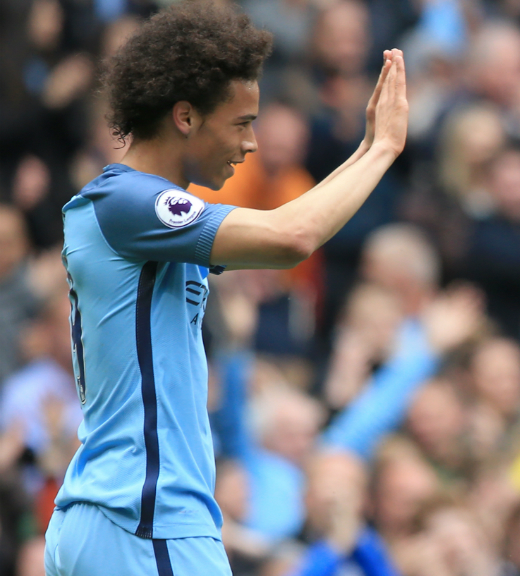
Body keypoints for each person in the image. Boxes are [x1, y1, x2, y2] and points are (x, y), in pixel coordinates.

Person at [43, 4, 408, 576]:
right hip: (146, 519)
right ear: (185, 116)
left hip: (123, 516)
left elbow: (289, 224)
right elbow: (294, 234)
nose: (253, 143)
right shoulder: (132, 202)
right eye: (241, 123)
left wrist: (366, 148)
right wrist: (383, 149)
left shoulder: (141, 210)